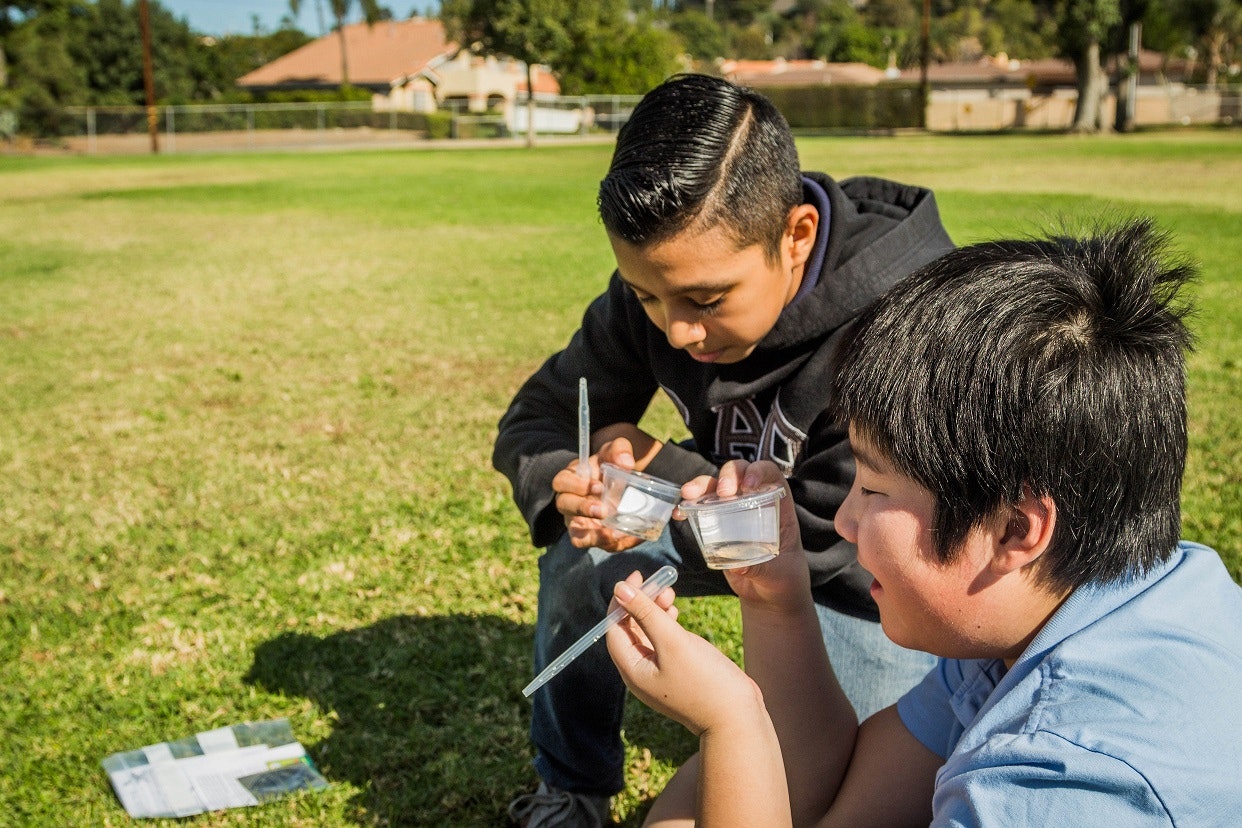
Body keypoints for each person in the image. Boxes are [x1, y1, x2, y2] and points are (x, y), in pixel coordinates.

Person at [604, 218, 1242, 827]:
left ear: (1016, 530)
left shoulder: (1062, 785)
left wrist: (732, 719)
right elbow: (832, 808)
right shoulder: (1061, 607)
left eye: (875, 488)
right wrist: (778, 604)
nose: (846, 520)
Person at [493, 73, 953, 826]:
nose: (674, 330)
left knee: (831, 794)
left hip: (870, 579)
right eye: (647, 297)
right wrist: (573, 480)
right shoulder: (670, 280)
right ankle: (572, 788)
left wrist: (661, 468)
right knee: (582, 557)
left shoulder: (908, 316)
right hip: (740, 531)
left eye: (705, 301)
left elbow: (845, 536)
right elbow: (537, 418)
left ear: (796, 234)